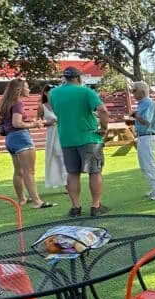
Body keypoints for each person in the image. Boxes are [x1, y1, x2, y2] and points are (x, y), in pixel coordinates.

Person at [50, 67, 110, 217]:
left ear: (65, 78)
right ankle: (95, 206)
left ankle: (75, 207)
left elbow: (58, 112)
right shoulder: (86, 91)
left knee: (72, 173)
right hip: (88, 136)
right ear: (79, 78)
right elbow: (102, 110)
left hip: (66, 138)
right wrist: (103, 128)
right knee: (94, 172)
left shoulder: (53, 93)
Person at [0, 78, 55, 209]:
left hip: (10, 140)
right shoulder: (18, 103)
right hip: (21, 138)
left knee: (18, 172)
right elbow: (17, 123)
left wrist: (36, 122)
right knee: (29, 172)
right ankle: (37, 202)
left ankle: (22, 198)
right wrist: (34, 124)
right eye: (27, 87)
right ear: (20, 89)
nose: (29, 89)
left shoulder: (6, 103)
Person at [37, 84, 67, 190]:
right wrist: (48, 122)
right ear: (45, 93)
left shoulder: (61, 104)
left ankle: (67, 182)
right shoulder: (42, 106)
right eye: (51, 91)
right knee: (56, 157)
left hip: (64, 133)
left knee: (65, 157)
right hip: (52, 135)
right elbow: (38, 122)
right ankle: (61, 181)